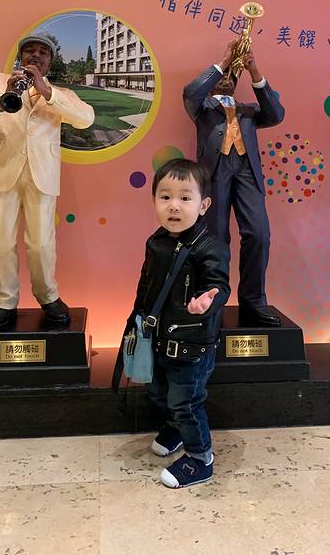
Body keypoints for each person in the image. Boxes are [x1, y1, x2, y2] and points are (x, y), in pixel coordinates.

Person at [0, 34, 95, 330]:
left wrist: (48, 92)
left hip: (42, 176)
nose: (36, 55)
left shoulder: (59, 92)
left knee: (41, 244)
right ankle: (4, 303)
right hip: (3, 172)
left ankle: (49, 297)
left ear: (50, 63)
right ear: (20, 58)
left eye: (43, 52)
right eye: (29, 51)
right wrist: (2, 97)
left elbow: (86, 118)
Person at [132, 158, 230, 488]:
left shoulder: (211, 247)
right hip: (157, 339)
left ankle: (201, 458)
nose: (174, 206)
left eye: (185, 198)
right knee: (159, 393)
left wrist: (207, 301)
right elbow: (145, 286)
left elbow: (219, 285)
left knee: (186, 401)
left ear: (203, 206)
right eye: (165, 197)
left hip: (192, 346)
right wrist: (136, 319)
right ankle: (175, 429)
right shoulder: (156, 241)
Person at [183, 41, 285, 327]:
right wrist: (224, 62)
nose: (227, 77)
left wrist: (253, 70)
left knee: (259, 234)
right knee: (215, 238)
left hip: (247, 173)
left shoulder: (249, 111)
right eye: (223, 74)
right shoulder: (201, 108)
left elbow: (276, 115)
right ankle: (211, 299)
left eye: (232, 74)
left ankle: (253, 301)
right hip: (214, 173)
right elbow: (191, 92)